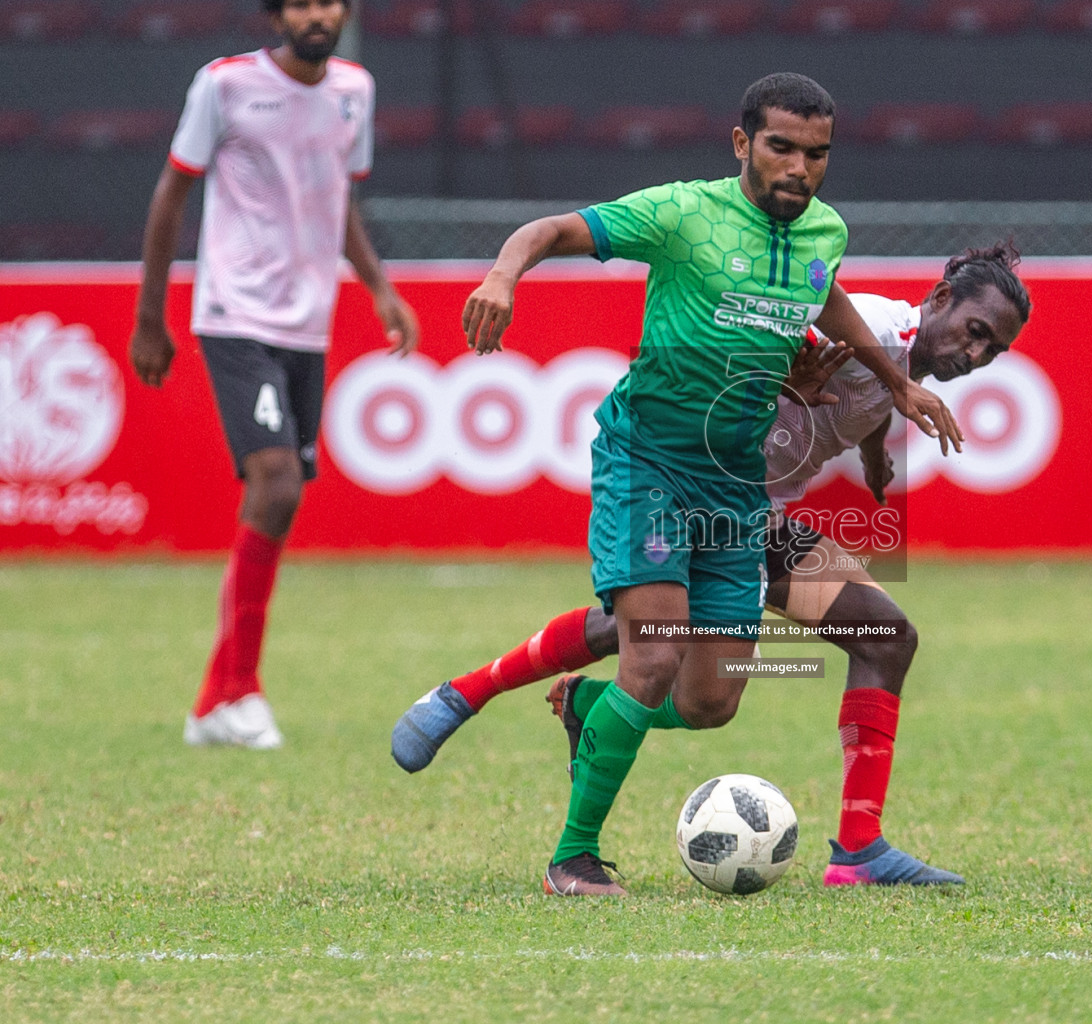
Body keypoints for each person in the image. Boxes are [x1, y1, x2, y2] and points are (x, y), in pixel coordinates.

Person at [442, 72, 963, 896]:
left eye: (816, 154)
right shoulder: (685, 212)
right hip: (646, 463)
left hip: (732, 494)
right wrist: (503, 276)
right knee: (650, 656)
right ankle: (572, 858)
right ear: (741, 144)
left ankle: (587, 712)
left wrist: (892, 386)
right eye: (780, 148)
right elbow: (549, 229)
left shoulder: (824, 230)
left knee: (714, 700)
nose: (798, 168)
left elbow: (822, 294)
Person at [393, 244, 1031, 887]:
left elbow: (867, 387)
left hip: (757, 513)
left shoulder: (899, 361)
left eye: (993, 351)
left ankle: (857, 853)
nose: (976, 355)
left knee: (797, 668)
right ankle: (473, 700)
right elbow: (744, 358)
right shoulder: (872, 325)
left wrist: (871, 454)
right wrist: (787, 383)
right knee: (649, 638)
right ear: (941, 300)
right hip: (694, 488)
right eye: (976, 333)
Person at [129, 0, 419, 750]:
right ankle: (240, 690)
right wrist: (149, 316)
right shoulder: (224, 85)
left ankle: (212, 702)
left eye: (328, 2)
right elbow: (171, 193)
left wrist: (380, 288)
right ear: (275, 14)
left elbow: (338, 199)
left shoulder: (354, 89)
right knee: (277, 483)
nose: (315, 15)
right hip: (234, 315)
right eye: (300, 2)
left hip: (307, 323)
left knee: (282, 499)